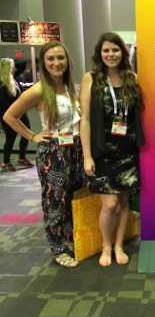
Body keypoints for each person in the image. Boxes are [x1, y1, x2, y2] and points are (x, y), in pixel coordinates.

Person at [3, 41, 87, 268]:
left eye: (60, 58)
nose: (56, 63)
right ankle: (58, 249)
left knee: (74, 198)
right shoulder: (39, 90)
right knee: (55, 202)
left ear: (68, 60)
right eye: (51, 59)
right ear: (43, 63)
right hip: (54, 152)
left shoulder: (74, 88)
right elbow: (10, 116)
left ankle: (71, 241)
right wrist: (32, 137)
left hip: (78, 149)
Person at [80, 32, 145, 267]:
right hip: (102, 150)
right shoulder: (91, 79)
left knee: (124, 201)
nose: (111, 54)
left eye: (115, 50)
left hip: (127, 150)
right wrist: (87, 155)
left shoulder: (132, 78)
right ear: (100, 53)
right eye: (106, 50)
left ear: (123, 52)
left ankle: (118, 245)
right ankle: (106, 246)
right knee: (110, 204)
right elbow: (85, 119)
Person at [0, 58, 34, 172]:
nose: (15, 68)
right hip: (7, 114)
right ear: (7, 69)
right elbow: (3, 103)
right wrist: (15, 112)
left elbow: (23, 63)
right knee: (11, 137)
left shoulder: (14, 79)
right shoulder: (2, 84)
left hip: (20, 112)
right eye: (13, 66)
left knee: (27, 132)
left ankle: (22, 157)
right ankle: (6, 162)